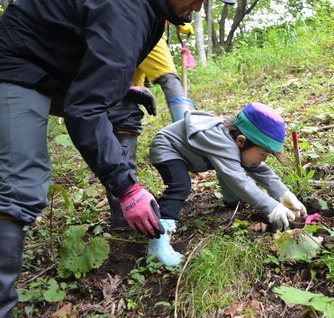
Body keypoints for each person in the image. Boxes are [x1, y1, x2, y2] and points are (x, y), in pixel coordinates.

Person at [0, 0, 234, 315]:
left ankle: (123, 222)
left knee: (124, 109)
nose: (199, 5)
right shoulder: (126, 9)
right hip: (17, 63)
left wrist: (118, 85)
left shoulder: (154, 11)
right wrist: (127, 188)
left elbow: (92, 46)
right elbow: (84, 109)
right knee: (22, 183)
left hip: (55, 64)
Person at [148, 102, 308, 265]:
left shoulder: (239, 144)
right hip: (168, 149)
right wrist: (271, 207)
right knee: (179, 186)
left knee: (232, 165)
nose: (263, 159)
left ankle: (232, 199)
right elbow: (239, 180)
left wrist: (283, 194)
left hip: (193, 154)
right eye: (263, 153)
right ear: (241, 141)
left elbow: (260, 170)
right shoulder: (222, 142)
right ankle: (158, 240)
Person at [107, 26, 197, 229]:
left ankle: (121, 217)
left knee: (120, 127)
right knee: (169, 79)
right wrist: (184, 25)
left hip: (116, 80)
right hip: (146, 34)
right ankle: (190, 135)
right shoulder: (148, 22)